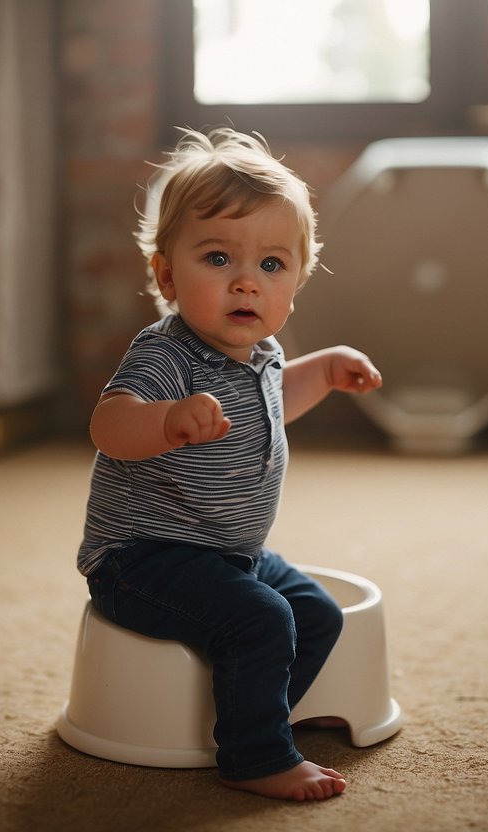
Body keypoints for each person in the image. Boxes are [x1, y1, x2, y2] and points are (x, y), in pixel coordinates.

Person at [77, 127, 383, 801]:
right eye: (218, 258)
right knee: (261, 619)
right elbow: (107, 425)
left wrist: (324, 370)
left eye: (272, 265)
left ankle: (245, 711)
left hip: (227, 551)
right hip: (141, 559)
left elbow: (278, 399)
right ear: (165, 275)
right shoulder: (167, 356)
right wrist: (165, 421)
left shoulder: (263, 356)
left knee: (317, 615)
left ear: (296, 282)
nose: (247, 281)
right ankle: (253, 754)